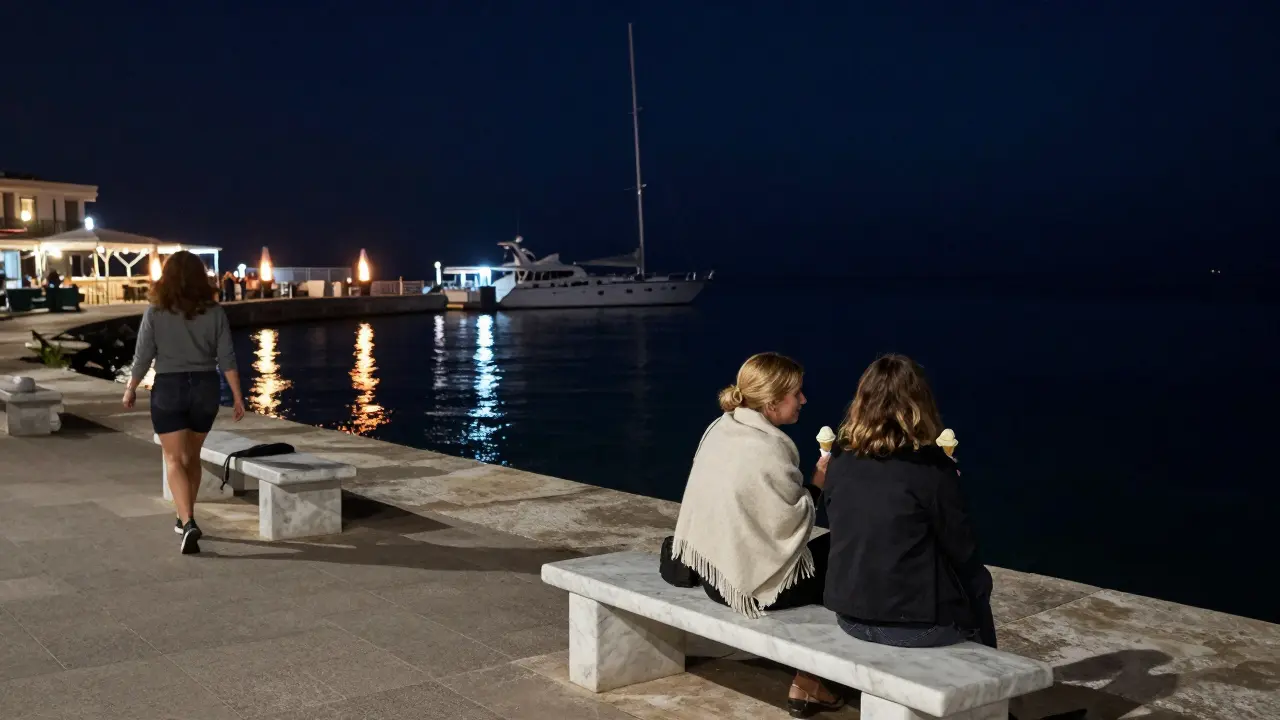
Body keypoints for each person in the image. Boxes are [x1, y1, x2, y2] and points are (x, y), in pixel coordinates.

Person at [671, 352, 841, 717]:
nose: (803, 400)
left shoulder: (722, 427)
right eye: (796, 394)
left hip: (713, 568)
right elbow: (790, 523)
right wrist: (819, 485)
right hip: (749, 587)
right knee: (848, 554)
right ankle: (812, 678)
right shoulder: (768, 448)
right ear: (771, 401)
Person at [823, 354, 997, 650]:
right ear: (920, 403)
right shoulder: (930, 467)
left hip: (850, 616)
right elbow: (962, 549)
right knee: (978, 585)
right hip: (912, 625)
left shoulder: (840, 457)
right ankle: (994, 674)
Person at [123, 251, 246, 554]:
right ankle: (184, 518)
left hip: (170, 388)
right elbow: (227, 357)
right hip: (204, 388)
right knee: (192, 457)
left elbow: (143, 357)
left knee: (174, 459)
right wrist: (238, 396)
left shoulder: (155, 312)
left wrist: (131, 388)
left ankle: (188, 521)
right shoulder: (215, 312)